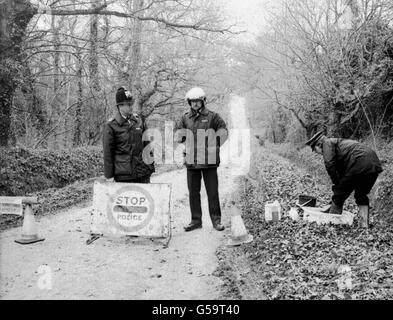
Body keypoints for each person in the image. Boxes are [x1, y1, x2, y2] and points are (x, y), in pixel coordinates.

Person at [175, 87, 228, 232]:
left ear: (203, 101)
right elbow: (179, 135)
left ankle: (216, 220)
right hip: (192, 161)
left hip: (209, 161)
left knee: (212, 192)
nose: (195, 104)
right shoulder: (185, 117)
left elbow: (223, 132)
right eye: (193, 102)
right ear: (189, 103)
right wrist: (181, 138)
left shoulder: (213, 116)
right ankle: (196, 220)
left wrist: (214, 146)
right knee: (193, 192)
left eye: (198, 101)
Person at [305, 131, 383, 220]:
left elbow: (329, 164)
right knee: (361, 195)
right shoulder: (339, 144)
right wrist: (339, 184)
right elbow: (342, 172)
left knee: (339, 194)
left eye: (315, 150)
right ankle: (364, 223)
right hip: (373, 165)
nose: (317, 153)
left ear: (319, 144)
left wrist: (336, 184)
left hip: (359, 163)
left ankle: (333, 221)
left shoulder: (327, 143)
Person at [103, 87, 155, 183]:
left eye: (131, 104)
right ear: (120, 106)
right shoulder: (111, 125)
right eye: (128, 104)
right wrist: (109, 176)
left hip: (143, 173)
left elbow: (147, 145)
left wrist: (150, 166)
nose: (131, 106)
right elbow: (108, 153)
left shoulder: (138, 120)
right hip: (124, 176)